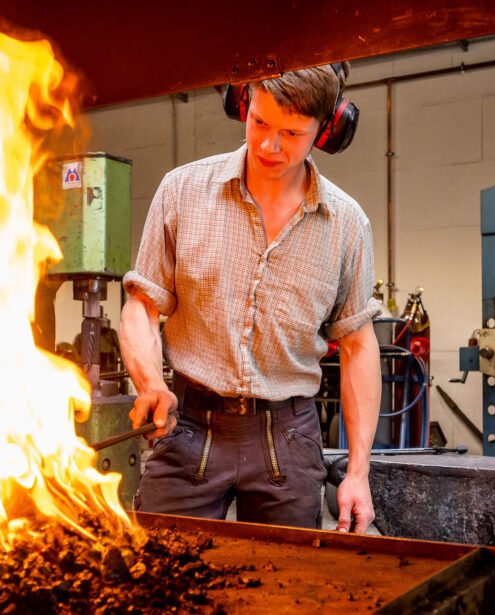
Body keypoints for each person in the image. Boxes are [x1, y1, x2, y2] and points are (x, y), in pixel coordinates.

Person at [118, 63, 381, 533]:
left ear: (326, 130)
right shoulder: (182, 191)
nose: (268, 145)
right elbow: (142, 305)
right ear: (243, 102)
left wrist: (358, 473)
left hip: (289, 437)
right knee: (158, 581)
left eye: (292, 133)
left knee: (286, 591)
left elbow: (359, 346)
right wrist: (150, 385)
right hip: (188, 427)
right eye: (259, 122)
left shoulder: (347, 224)